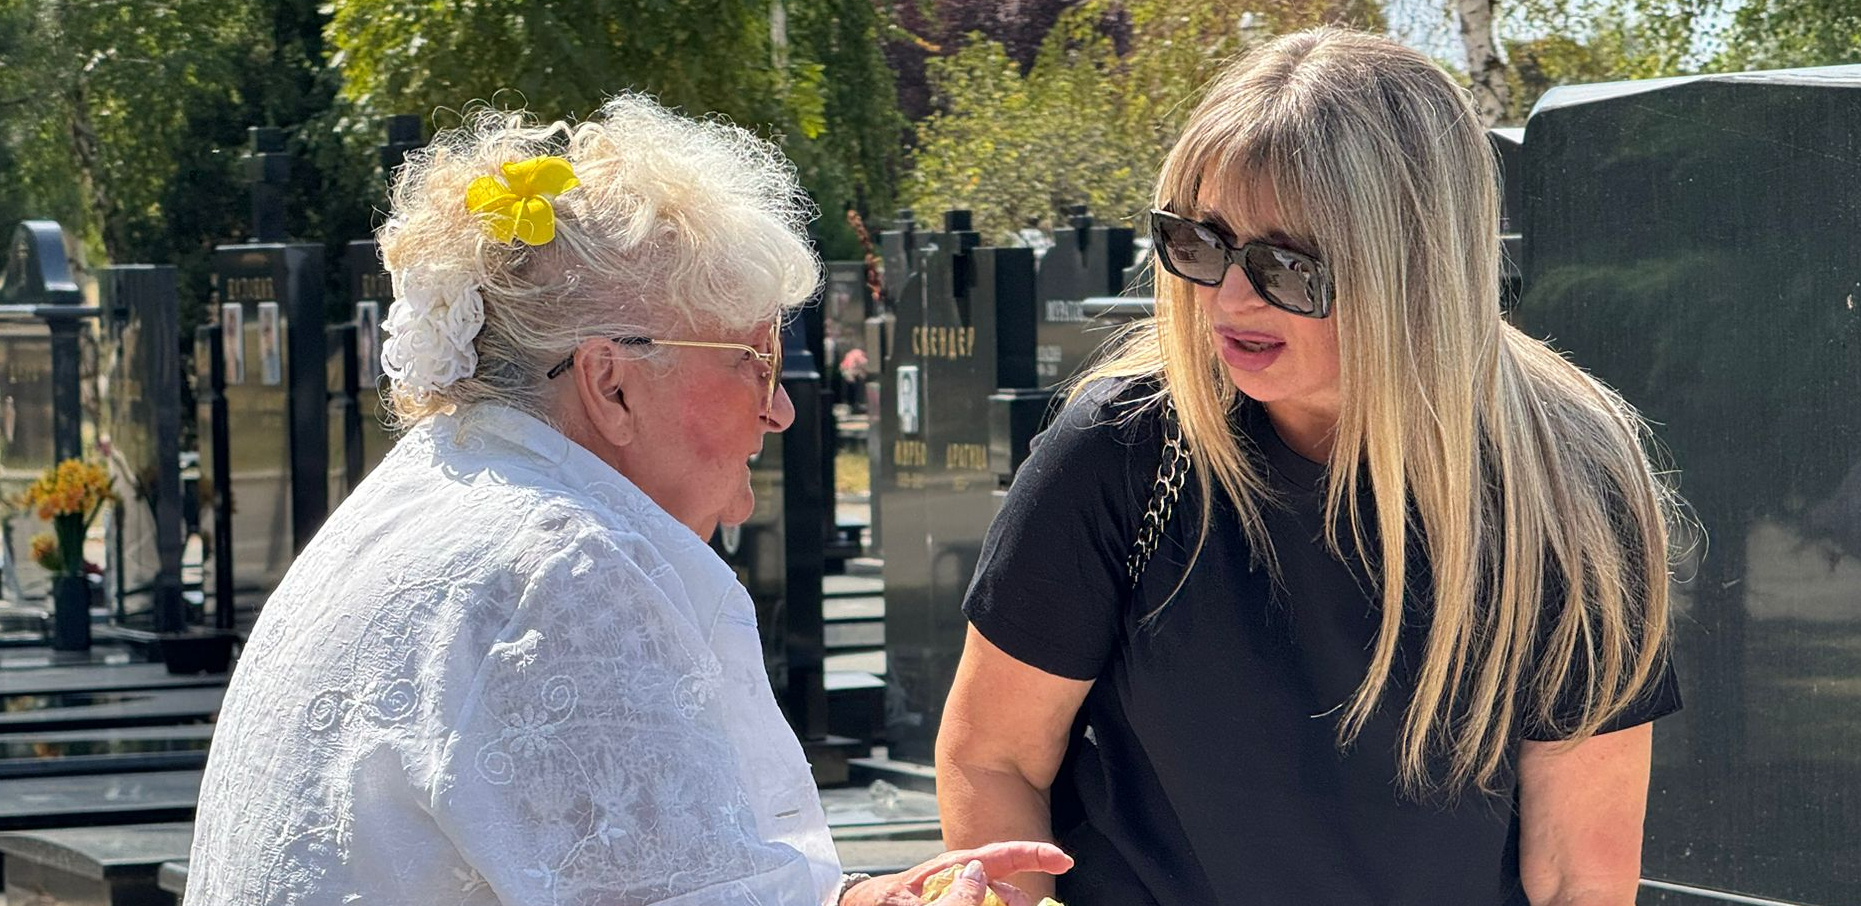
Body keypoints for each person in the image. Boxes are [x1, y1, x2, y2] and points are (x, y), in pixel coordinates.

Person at [185, 96, 1069, 906]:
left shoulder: (426, 493)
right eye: (754, 359)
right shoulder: (561, 567)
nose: (781, 409)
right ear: (610, 385)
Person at [937, 28, 1682, 906]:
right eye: (1200, 242)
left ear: (1415, 268)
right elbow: (994, 757)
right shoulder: (1126, 448)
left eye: (1287, 266)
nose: (1229, 298)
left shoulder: (1559, 487)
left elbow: (1574, 876)